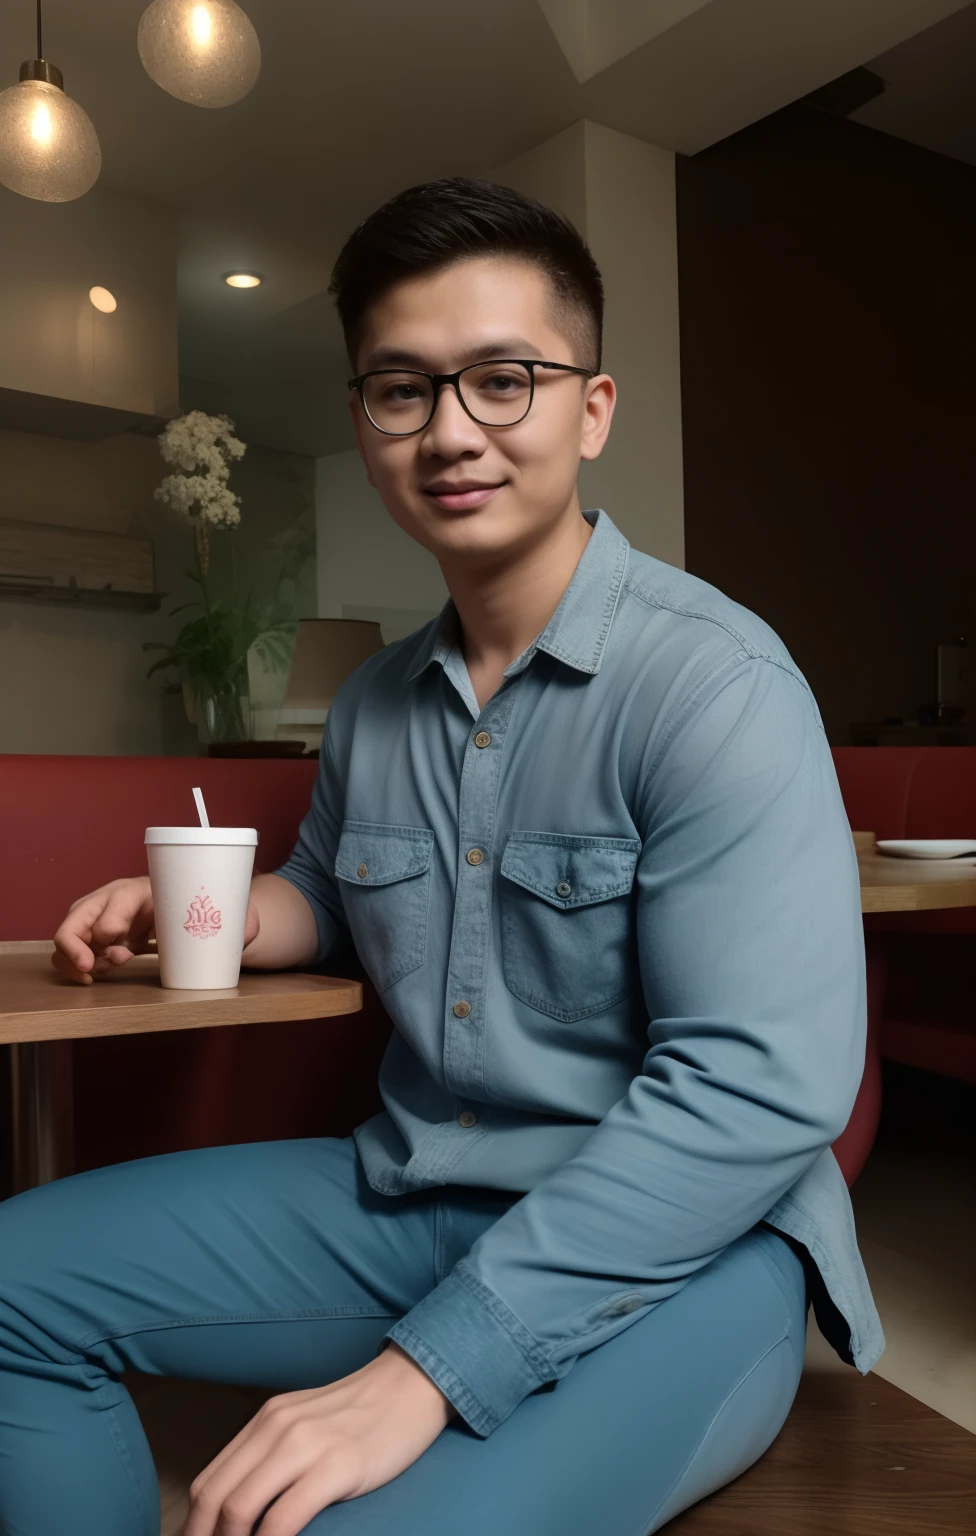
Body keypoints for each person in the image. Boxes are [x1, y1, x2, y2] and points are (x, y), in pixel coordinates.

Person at [0, 178, 883, 1536]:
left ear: (592, 408)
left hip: (688, 1255)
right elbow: (337, 900)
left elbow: (760, 1095)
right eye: (402, 390)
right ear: (364, 421)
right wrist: (235, 919)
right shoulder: (374, 700)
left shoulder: (714, 682)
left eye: (504, 380)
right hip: (412, 1187)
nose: (451, 431)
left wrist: (421, 1370)